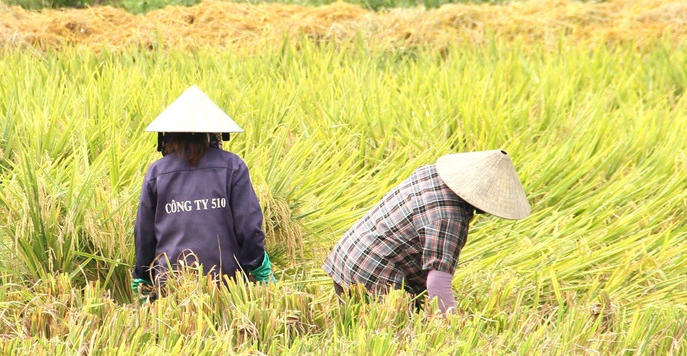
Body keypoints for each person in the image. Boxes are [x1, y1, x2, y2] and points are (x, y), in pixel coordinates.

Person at [324, 149, 530, 313]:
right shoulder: (449, 217)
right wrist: (450, 326)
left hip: (347, 257)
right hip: (373, 278)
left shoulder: (429, 172)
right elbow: (438, 280)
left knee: (355, 332)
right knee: (395, 342)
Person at [133, 86, 273, 299]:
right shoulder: (233, 167)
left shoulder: (157, 172)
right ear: (214, 134)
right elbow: (249, 226)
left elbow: (144, 233)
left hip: (171, 284)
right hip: (225, 283)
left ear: (167, 136)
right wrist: (257, 263)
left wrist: (142, 274)